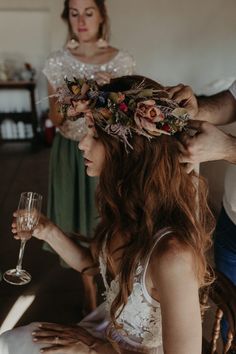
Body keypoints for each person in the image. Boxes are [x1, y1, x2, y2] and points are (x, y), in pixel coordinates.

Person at [0, 75, 214, 354]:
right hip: (106, 335)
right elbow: (92, 263)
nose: (82, 145)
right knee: (9, 343)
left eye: (94, 135)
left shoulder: (173, 256)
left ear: (130, 151)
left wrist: (91, 347)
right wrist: (46, 229)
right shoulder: (127, 208)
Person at [42, 0, 135, 312]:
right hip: (70, 152)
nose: (81, 20)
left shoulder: (121, 62)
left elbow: (126, 115)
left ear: (101, 15)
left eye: (88, 12)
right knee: (75, 220)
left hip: (107, 152)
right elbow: (55, 119)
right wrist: (73, 102)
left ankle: (114, 285)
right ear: (67, 17)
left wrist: (102, 97)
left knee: (106, 218)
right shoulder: (56, 62)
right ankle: (88, 290)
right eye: (74, 12)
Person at [168, 80, 236, 343]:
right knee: (230, 314)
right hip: (231, 217)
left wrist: (228, 148)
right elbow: (232, 101)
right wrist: (196, 109)